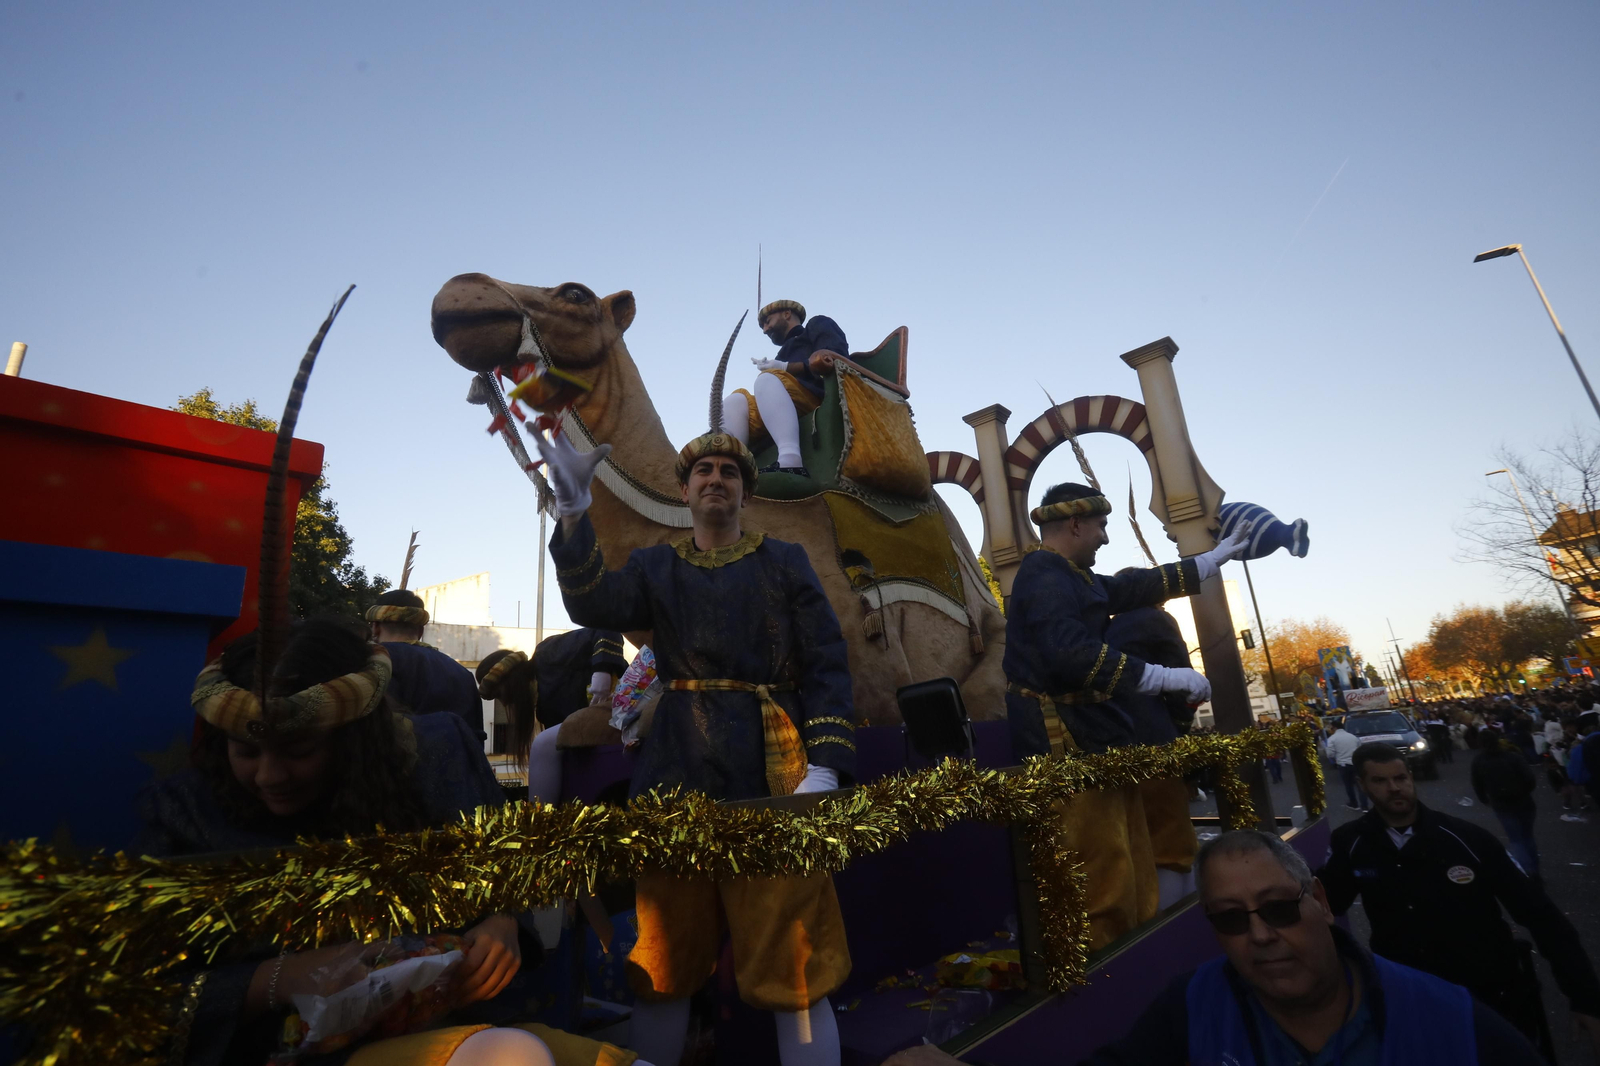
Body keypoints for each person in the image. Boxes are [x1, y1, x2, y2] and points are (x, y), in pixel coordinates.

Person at [137, 619, 640, 1066]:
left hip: (463, 1027)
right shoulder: (184, 814)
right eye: (246, 751)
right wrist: (276, 978)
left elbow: (508, 863)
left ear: (356, 738)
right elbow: (141, 999)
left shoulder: (440, 754)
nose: (270, 776)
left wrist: (502, 920)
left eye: (299, 749)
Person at [536, 423, 855, 1066]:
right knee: (663, 963)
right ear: (685, 490)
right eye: (703, 471)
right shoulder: (656, 566)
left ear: (745, 491)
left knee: (794, 963)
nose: (716, 479)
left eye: (729, 472)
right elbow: (592, 599)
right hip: (675, 769)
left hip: (773, 771)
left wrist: (825, 765)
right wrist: (574, 514)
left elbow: (826, 662)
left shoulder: (784, 561)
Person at [876, 829, 1544, 1066]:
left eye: (1279, 909)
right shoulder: (1192, 1008)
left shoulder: (1451, 1023)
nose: (1259, 934)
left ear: (1318, 899)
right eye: (1230, 919)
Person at [1003, 481, 1251, 947]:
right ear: (1075, 523)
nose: (1105, 538)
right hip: (1062, 743)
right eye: (1101, 526)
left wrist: (1208, 562)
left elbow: (1131, 586)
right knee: (1099, 868)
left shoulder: (1066, 574)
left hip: (1089, 736)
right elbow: (1072, 656)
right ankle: (1106, 971)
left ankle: (1137, 955)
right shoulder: (1045, 576)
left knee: (1128, 856)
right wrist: (1166, 678)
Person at [1318, 742, 1600, 1059]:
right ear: (1361, 785)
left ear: (1410, 776)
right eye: (1380, 781)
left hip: (1489, 997)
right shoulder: (1351, 842)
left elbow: (1540, 914)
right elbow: (1329, 907)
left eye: (1400, 777)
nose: (1394, 788)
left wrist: (1585, 996)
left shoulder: (1467, 838)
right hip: (1410, 1001)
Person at [1104, 597, 1202, 908]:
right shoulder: (1155, 619)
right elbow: (1183, 684)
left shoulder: (1108, 627)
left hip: (1111, 741)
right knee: (1173, 846)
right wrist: (1181, 723)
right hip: (1154, 739)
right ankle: (1177, 923)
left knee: (1138, 842)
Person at [476, 628, 628, 803]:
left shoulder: (548, 652)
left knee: (544, 743)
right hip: (607, 729)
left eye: (500, 695)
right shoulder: (544, 711)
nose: (505, 703)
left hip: (628, 706)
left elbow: (604, 629)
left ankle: (539, 818)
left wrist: (603, 670)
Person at [722, 299, 848, 477]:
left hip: (818, 396)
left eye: (768, 322)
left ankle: (791, 461)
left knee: (766, 380)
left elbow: (836, 359)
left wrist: (785, 367)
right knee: (736, 400)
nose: (765, 330)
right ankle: (729, 465)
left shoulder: (817, 324)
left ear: (787, 314)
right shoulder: (782, 354)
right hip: (785, 404)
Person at [367, 589, 485, 740]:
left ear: (375, 627)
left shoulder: (370, 661)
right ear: (421, 630)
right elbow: (475, 739)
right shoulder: (463, 674)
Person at [1472, 735, 1541, 882]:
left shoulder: (1479, 761)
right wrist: (1524, 791)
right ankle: (1535, 869)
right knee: (1527, 836)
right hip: (1523, 801)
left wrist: (1484, 798)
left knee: (1516, 839)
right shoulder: (1513, 757)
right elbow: (1530, 779)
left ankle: (1528, 872)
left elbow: (1477, 783)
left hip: (1501, 804)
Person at [1324, 719, 1367, 811]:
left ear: (1334, 728)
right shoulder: (1353, 737)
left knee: (1349, 785)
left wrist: (1337, 757)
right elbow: (1360, 749)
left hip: (1343, 764)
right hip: (1356, 763)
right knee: (1360, 785)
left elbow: (1330, 754)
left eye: (1331, 728)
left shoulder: (1332, 739)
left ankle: (1354, 803)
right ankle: (1365, 806)